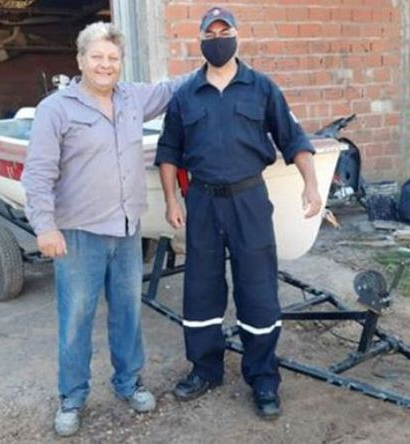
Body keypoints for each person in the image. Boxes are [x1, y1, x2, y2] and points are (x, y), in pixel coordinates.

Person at [154, 6, 322, 420]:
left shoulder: (261, 88)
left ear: (236, 36)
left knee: (258, 288)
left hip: (249, 201)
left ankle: (263, 377)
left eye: (223, 30)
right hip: (203, 203)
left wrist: (312, 184)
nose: (217, 37)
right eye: (209, 32)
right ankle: (205, 369)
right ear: (200, 40)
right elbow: (168, 152)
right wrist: (172, 199)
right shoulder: (185, 95)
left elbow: (293, 138)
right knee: (201, 288)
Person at [22, 22, 187, 437]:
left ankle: (128, 382)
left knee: (128, 313)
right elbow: (37, 174)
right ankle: (72, 396)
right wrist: (45, 227)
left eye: (112, 59)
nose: (105, 65)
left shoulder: (132, 98)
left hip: (127, 229)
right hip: (79, 233)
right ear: (80, 61)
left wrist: (218, 61)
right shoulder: (55, 109)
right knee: (77, 318)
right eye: (97, 57)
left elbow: (172, 89)